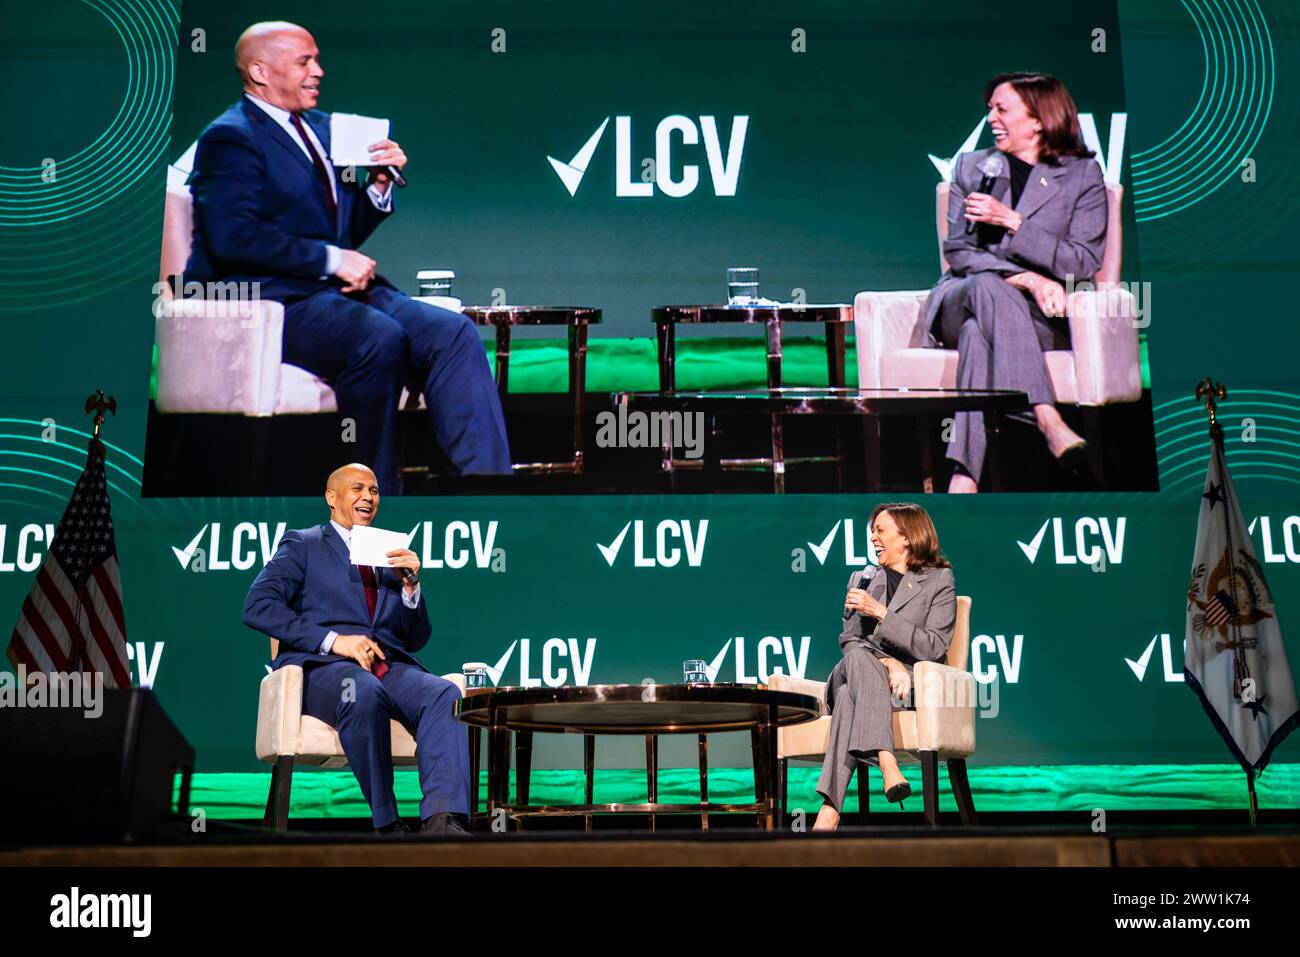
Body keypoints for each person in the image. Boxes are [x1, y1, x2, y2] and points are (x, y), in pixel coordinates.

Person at [184, 21, 510, 495]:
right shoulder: (230, 138)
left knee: (451, 332)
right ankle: (370, 503)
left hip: (332, 293)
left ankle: (486, 491)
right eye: (304, 62)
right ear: (259, 70)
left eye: (316, 59)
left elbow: (338, 229)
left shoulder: (317, 128)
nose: (319, 71)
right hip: (272, 303)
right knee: (377, 337)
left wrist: (377, 187)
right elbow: (234, 238)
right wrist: (332, 260)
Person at [242, 463, 471, 834]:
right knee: (362, 691)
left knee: (445, 695)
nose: (368, 496)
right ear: (331, 498)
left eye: (375, 490)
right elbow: (258, 606)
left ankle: (443, 820)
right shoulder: (304, 543)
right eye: (357, 488)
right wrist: (335, 641)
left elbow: (414, 639)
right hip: (325, 669)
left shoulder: (388, 552)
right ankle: (387, 823)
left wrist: (412, 589)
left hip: (387, 667)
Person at [924, 72, 1107, 493]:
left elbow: (1081, 262)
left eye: (1001, 109)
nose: (991, 117)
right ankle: (1046, 416)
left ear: (1039, 120)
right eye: (989, 108)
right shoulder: (973, 166)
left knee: (978, 335)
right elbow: (960, 252)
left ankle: (964, 476)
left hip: (1034, 319)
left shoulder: (1081, 176)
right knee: (988, 291)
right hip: (962, 297)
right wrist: (1026, 279)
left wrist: (1012, 221)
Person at [813, 502, 956, 831]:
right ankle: (887, 761)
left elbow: (932, 646)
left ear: (906, 538)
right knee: (857, 660)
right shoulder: (862, 578)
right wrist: (889, 662)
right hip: (865, 669)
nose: (873, 538)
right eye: (872, 531)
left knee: (850, 696)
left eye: (881, 530)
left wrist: (881, 613)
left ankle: (830, 810)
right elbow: (849, 641)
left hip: (905, 689)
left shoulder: (938, 580)